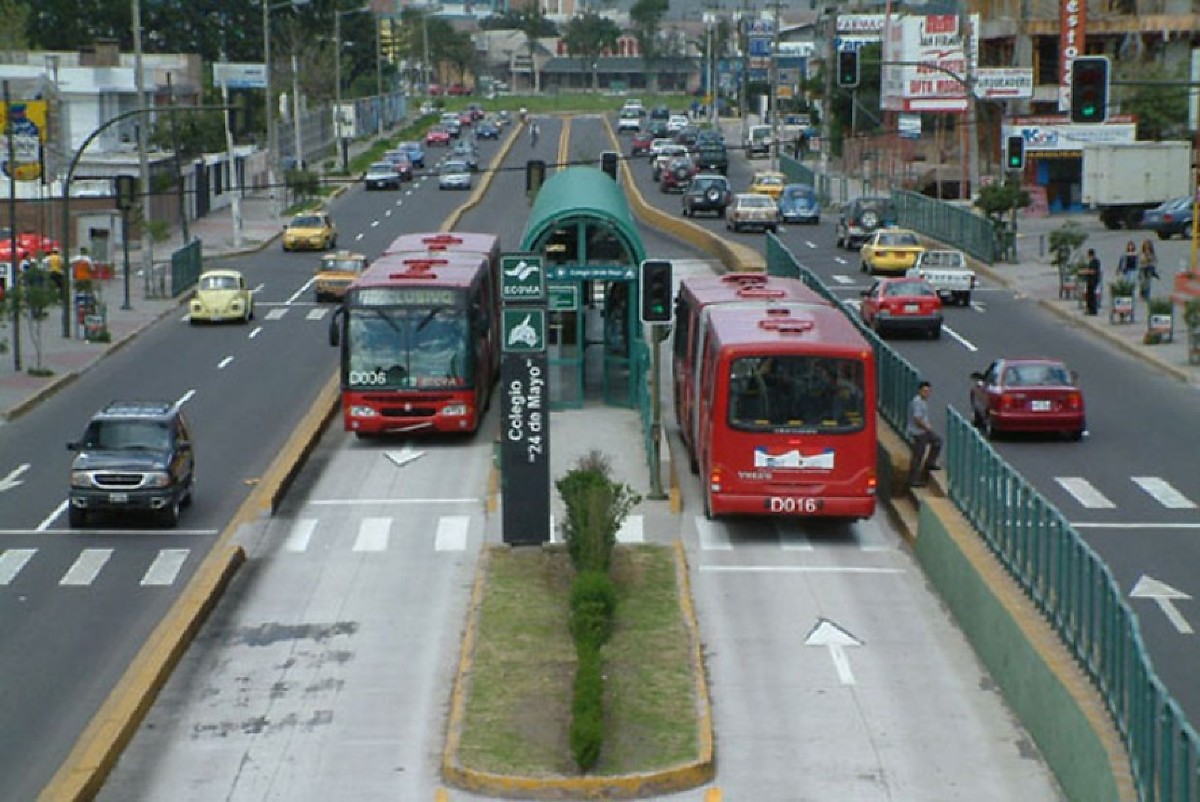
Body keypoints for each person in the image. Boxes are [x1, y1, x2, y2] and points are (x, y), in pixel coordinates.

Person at [907, 381, 941, 488]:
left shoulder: (923, 402)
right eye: (924, 391)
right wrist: (926, 427)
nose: (927, 393)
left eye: (928, 391)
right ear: (919, 391)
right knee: (918, 456)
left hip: (924, 431)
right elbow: (917, 419)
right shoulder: (917, 402)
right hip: (918, 432)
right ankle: (914, 480)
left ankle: (930, 463)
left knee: (937, 441)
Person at [1081, 248, 1101, 315]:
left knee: (1092, 296)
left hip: (1093, 281)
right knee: (1089, 296)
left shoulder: (1095, 261)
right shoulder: (1091, 261)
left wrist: (1085, 271)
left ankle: (1093, 310)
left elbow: (1093, 271)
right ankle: (1089, 309)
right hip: (1090, 281)